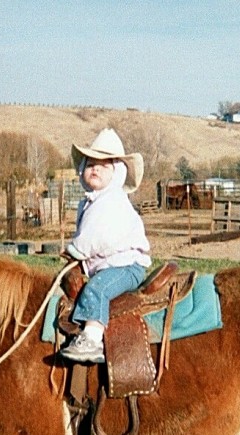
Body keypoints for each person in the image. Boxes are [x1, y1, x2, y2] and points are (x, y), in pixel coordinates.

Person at [60, 128, 151, 363]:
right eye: (90, 163)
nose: (95, 168)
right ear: (82, 170)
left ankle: (92, 338)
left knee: (96, 290)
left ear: (117, 172)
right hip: (112, 264)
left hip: (126, 267)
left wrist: (75, 251)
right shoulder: (92, 201)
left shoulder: (111, 201)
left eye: (103, 164)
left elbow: (95, 237)